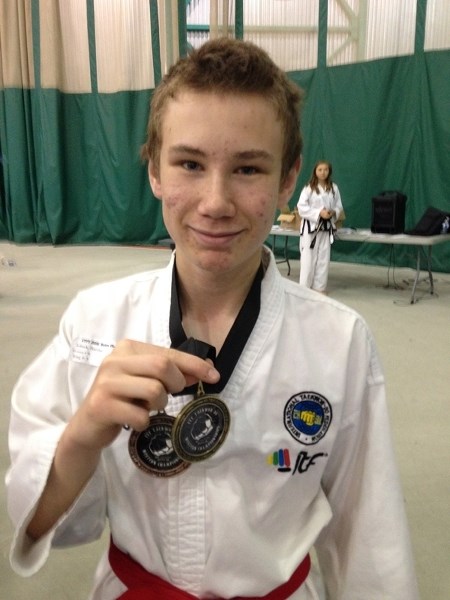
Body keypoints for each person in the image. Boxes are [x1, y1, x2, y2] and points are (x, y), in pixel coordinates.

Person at [5, 37, 419, 600]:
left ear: (286, 179)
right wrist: (80, 437)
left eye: (248, 168)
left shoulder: (338, 341)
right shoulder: (95, 323)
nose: (216, 200)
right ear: (153, 169)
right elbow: (39, 522)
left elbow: (369, 537)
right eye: (190, 164)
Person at [297, 161, 344, 292]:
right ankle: (304, 290)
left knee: (323, 258)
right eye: (320, 170)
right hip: (310, 228)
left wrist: (333, 212)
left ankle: (319, 288)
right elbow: (301, 207)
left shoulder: (333, 188)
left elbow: (338, 206)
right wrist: (319, 213)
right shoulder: (309, 188)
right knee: (308, 259)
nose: (323, 172)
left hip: (326, 227)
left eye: (326, 170)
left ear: (329, 172)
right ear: (315, 172)